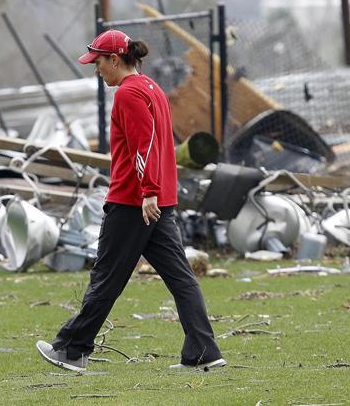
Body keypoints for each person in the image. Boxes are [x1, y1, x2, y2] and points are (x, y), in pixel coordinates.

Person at [36, 29, 225, 373]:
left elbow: (144, 145)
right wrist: (157, 192)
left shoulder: (128, 94)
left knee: (106, 277)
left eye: (98, 62)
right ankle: (203, 352)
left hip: (133, 202)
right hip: (157, 202)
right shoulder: (152, 88)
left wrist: (148, 190)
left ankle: (72, 349)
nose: (97, 70)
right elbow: (157, 143)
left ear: (114, 59)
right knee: (181, 278)